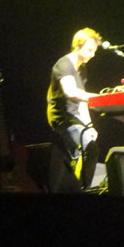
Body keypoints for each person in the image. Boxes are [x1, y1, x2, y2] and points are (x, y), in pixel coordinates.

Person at [47, 28, 103, 188]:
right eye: (90, 50)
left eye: (94, 51)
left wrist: (89, 126)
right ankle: (81, 190)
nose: (93, 55)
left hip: (75, 117)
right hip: (62, 117)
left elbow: (82, 100)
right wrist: (99, 98)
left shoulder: (82, 69)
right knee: (89, 149)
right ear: (78, 45)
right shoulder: (64, 64)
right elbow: (71, 92)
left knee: (87, 149)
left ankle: (76, 186)